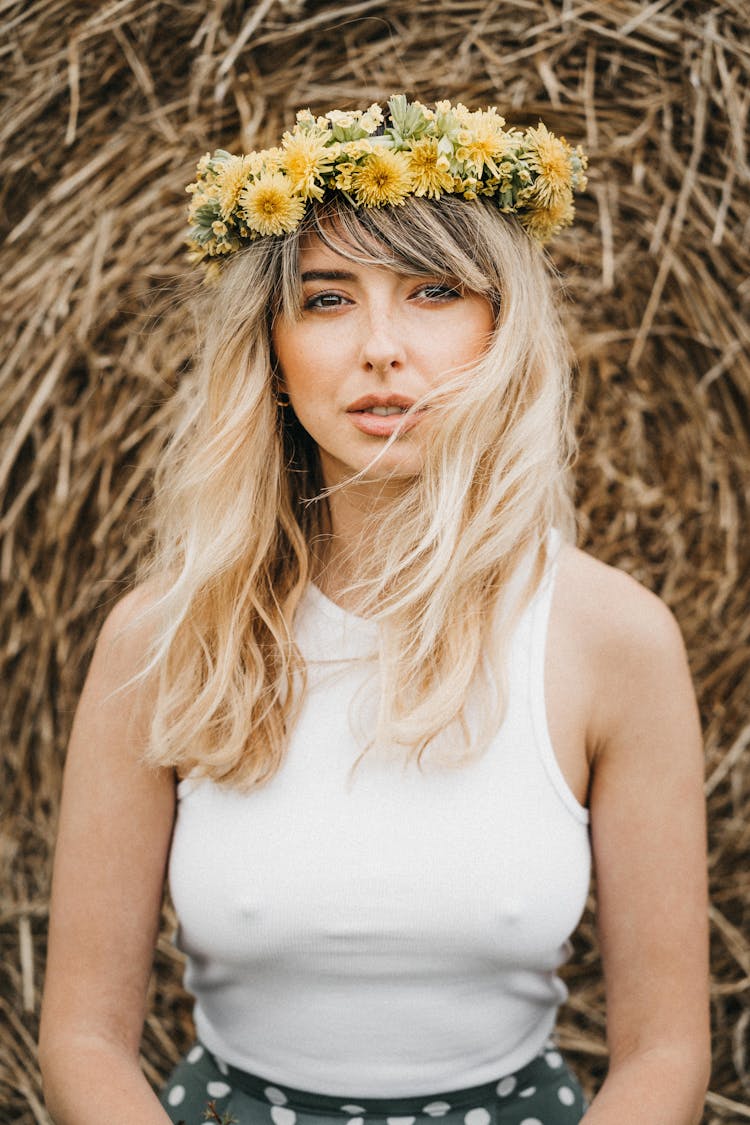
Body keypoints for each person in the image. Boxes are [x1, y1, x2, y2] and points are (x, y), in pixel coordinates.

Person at [39, 97, 710, 1125]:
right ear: (271, 344)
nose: (382, 348)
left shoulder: (611, 640)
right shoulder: (162, 638)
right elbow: (83, 1039)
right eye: (327, 298)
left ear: (501, 326)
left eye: (433, 291)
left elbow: (664, 1053)